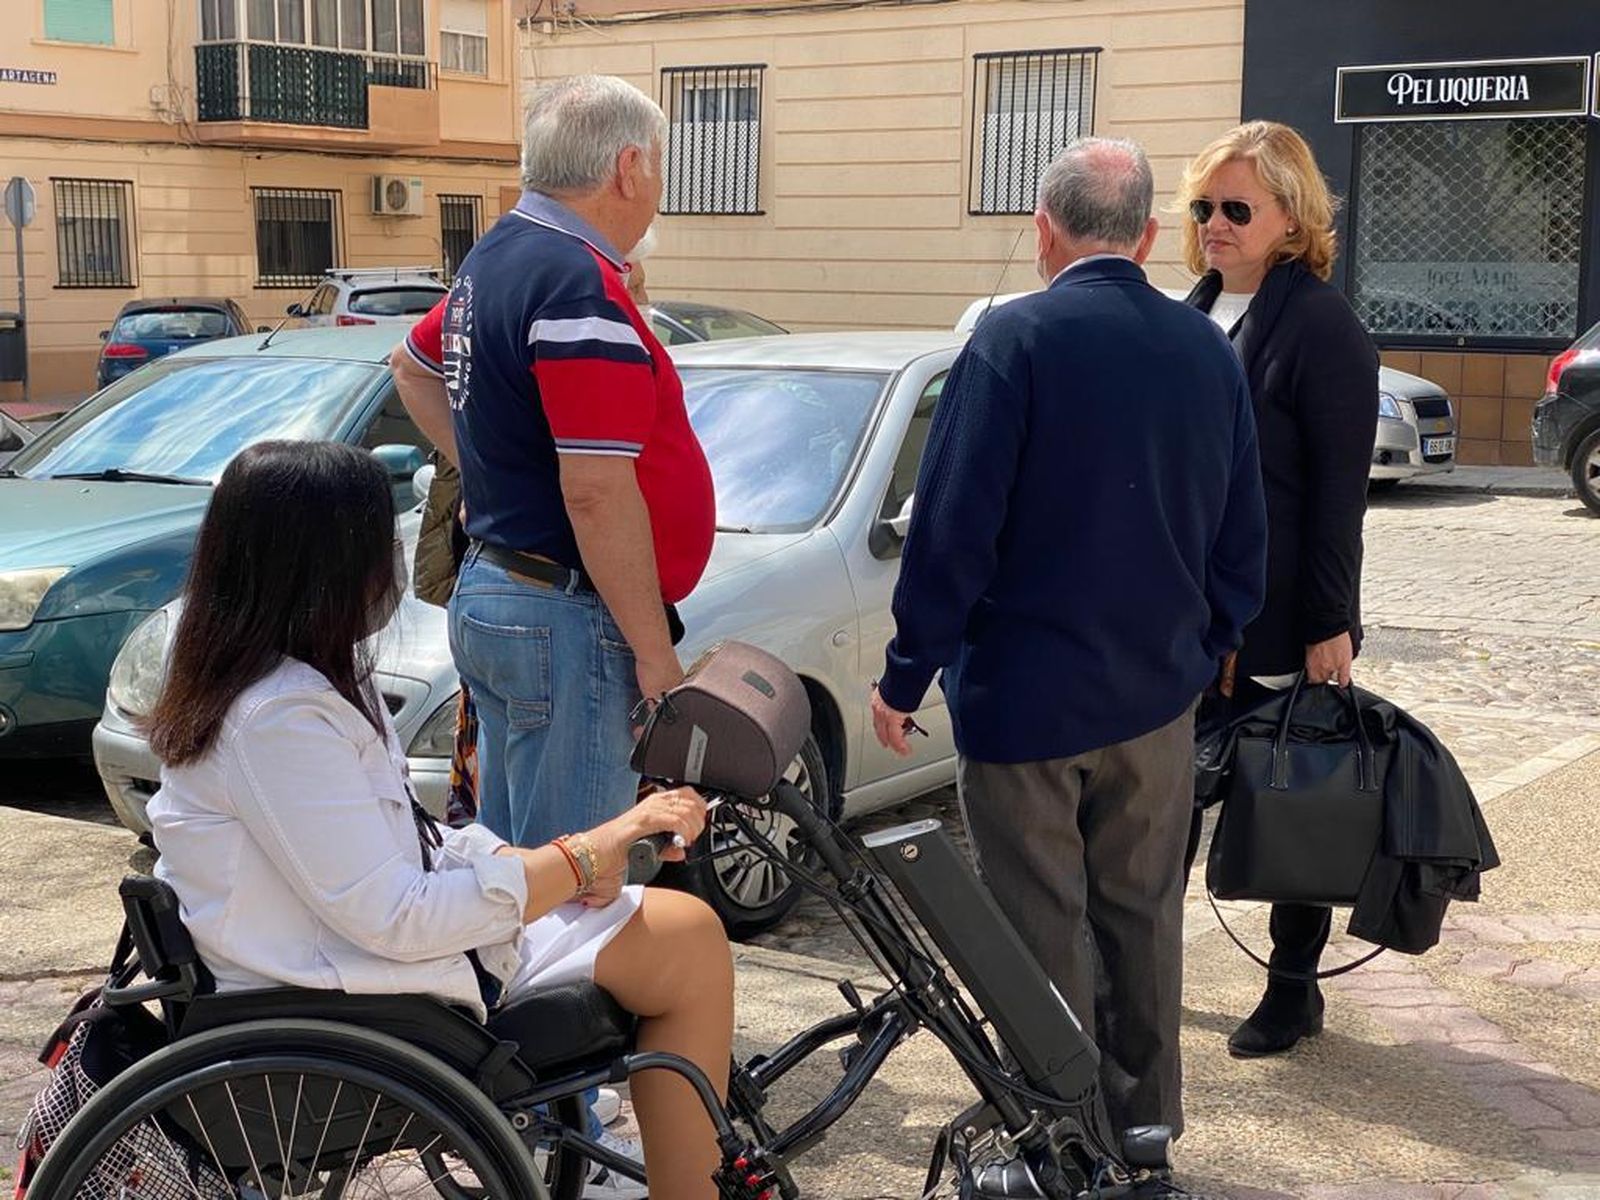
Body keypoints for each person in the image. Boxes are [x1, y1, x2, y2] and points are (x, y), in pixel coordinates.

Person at [144, 441, 733, 1200]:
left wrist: (548, 866)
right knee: (686, 942)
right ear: (327, 567)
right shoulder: (279, 717)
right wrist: (591, 850)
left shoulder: (277, 682)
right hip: (354, 996)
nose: (392, 566)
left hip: (337, 964)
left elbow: (403, 844)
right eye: (380, 546)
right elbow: (396, 915)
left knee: (673, 928)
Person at [870, 137, 1267, 1142]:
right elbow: (1241, 534)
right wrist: (1207, 641)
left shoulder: (1011, 344)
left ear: (1044, 231)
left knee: (1037, 929)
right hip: (1155, 699)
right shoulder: (1206, 352)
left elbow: (952, 530)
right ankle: (1146, 1132)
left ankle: (1061, 1135)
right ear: (1144, 236)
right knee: (1142, 920)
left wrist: (908, 667)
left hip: (1023, 701)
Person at [390, 74, 714, 852]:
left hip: (510, 593)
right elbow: (598, 492)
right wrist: (656, 661)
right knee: (574, 887)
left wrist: (492, 471)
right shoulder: (574, 281)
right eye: (660, 169)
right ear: (629, 167)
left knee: (516, 874)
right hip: (563, 614)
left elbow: (412, 365)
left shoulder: (497, 254)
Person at [1176, 120, 1380, 1059]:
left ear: (1290, 215)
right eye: (1202, 207)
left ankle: (1293, 985)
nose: (1213, 224)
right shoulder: (1195, 306)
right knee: (1162, 801)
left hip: (1282, 611)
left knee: (1288, 792)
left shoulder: (1323, 327)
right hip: (1184, 617)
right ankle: (1133, 969)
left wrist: (1330, 623)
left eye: (1235, 208)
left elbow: (1340, 494)